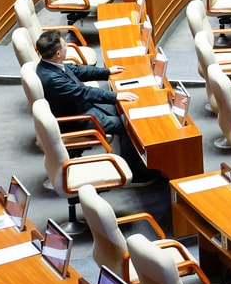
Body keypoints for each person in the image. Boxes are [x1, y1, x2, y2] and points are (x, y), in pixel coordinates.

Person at [35, 32, 154, 183]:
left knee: (125, 109)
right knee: (127, 125)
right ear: (58, 53)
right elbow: (84, 92)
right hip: (78, 118)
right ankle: (134, 171)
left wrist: (107, 72)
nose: (67, 47)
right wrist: (116, 96)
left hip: (82, 107)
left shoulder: (49, 64)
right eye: (65, 45)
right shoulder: (53, 79)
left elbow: (77, 70)